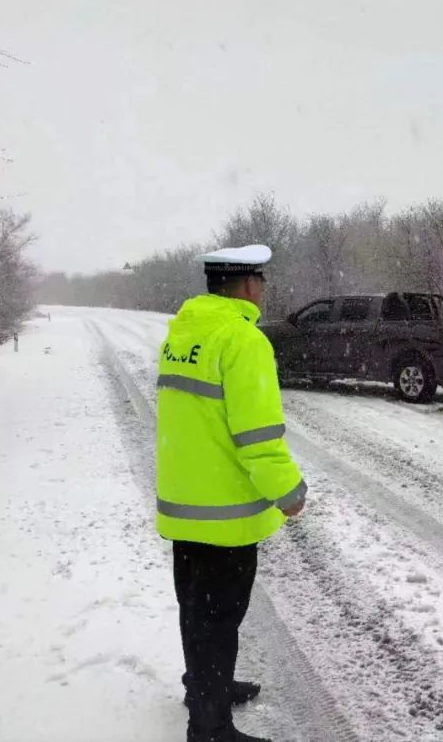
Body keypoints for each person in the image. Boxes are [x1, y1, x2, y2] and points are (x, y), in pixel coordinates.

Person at [156, 244, 307, 742]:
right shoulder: (243, 340)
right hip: (224, 513)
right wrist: (288, 491)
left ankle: (202, 688)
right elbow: (258, 436)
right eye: (260, 281)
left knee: (195, 608)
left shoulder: (184, 331)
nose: (262, 290)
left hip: (185, 504)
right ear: (246, 284)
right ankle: (211, 727)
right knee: (218, 617)